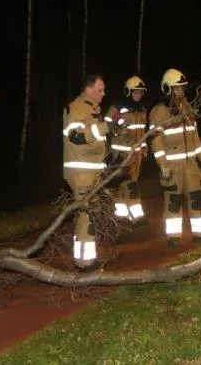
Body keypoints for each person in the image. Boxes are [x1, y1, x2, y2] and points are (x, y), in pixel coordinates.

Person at [62, 74, 122, 272]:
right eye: (100, 89)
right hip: (81, 173)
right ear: (88, 89)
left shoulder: (90, 108)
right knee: (87, 216)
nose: (103, 94)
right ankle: (86, 263)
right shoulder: (77, 108)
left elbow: (93, 140)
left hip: (89, 172)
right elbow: (76, 136)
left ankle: (83, 260)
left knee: (85, 216)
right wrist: (105, 127)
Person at [148, 68, 201, 246]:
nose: (180, 91)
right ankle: (173, 237)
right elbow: (156, 142)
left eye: (182, 88)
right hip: (172, 165)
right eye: (177, 88)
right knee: (173, 201)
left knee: (197, 199)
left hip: (191, 165)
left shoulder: (186, 107)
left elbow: (195, 135)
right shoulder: (159, 112)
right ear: (167, 88)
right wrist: (163, 165)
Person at [104, 76, 150, 226]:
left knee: (123, 187)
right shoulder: (117, 108)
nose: (138, 95)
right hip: (120, 156)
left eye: (140, 92)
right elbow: (105, 126)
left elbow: (142, 131)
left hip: (136, 156)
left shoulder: (141, 110)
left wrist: (144, 148)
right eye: (135, 92)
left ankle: (121, 218)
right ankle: (138, 217)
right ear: (128, 92)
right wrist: (116, 126)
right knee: (130, 185)